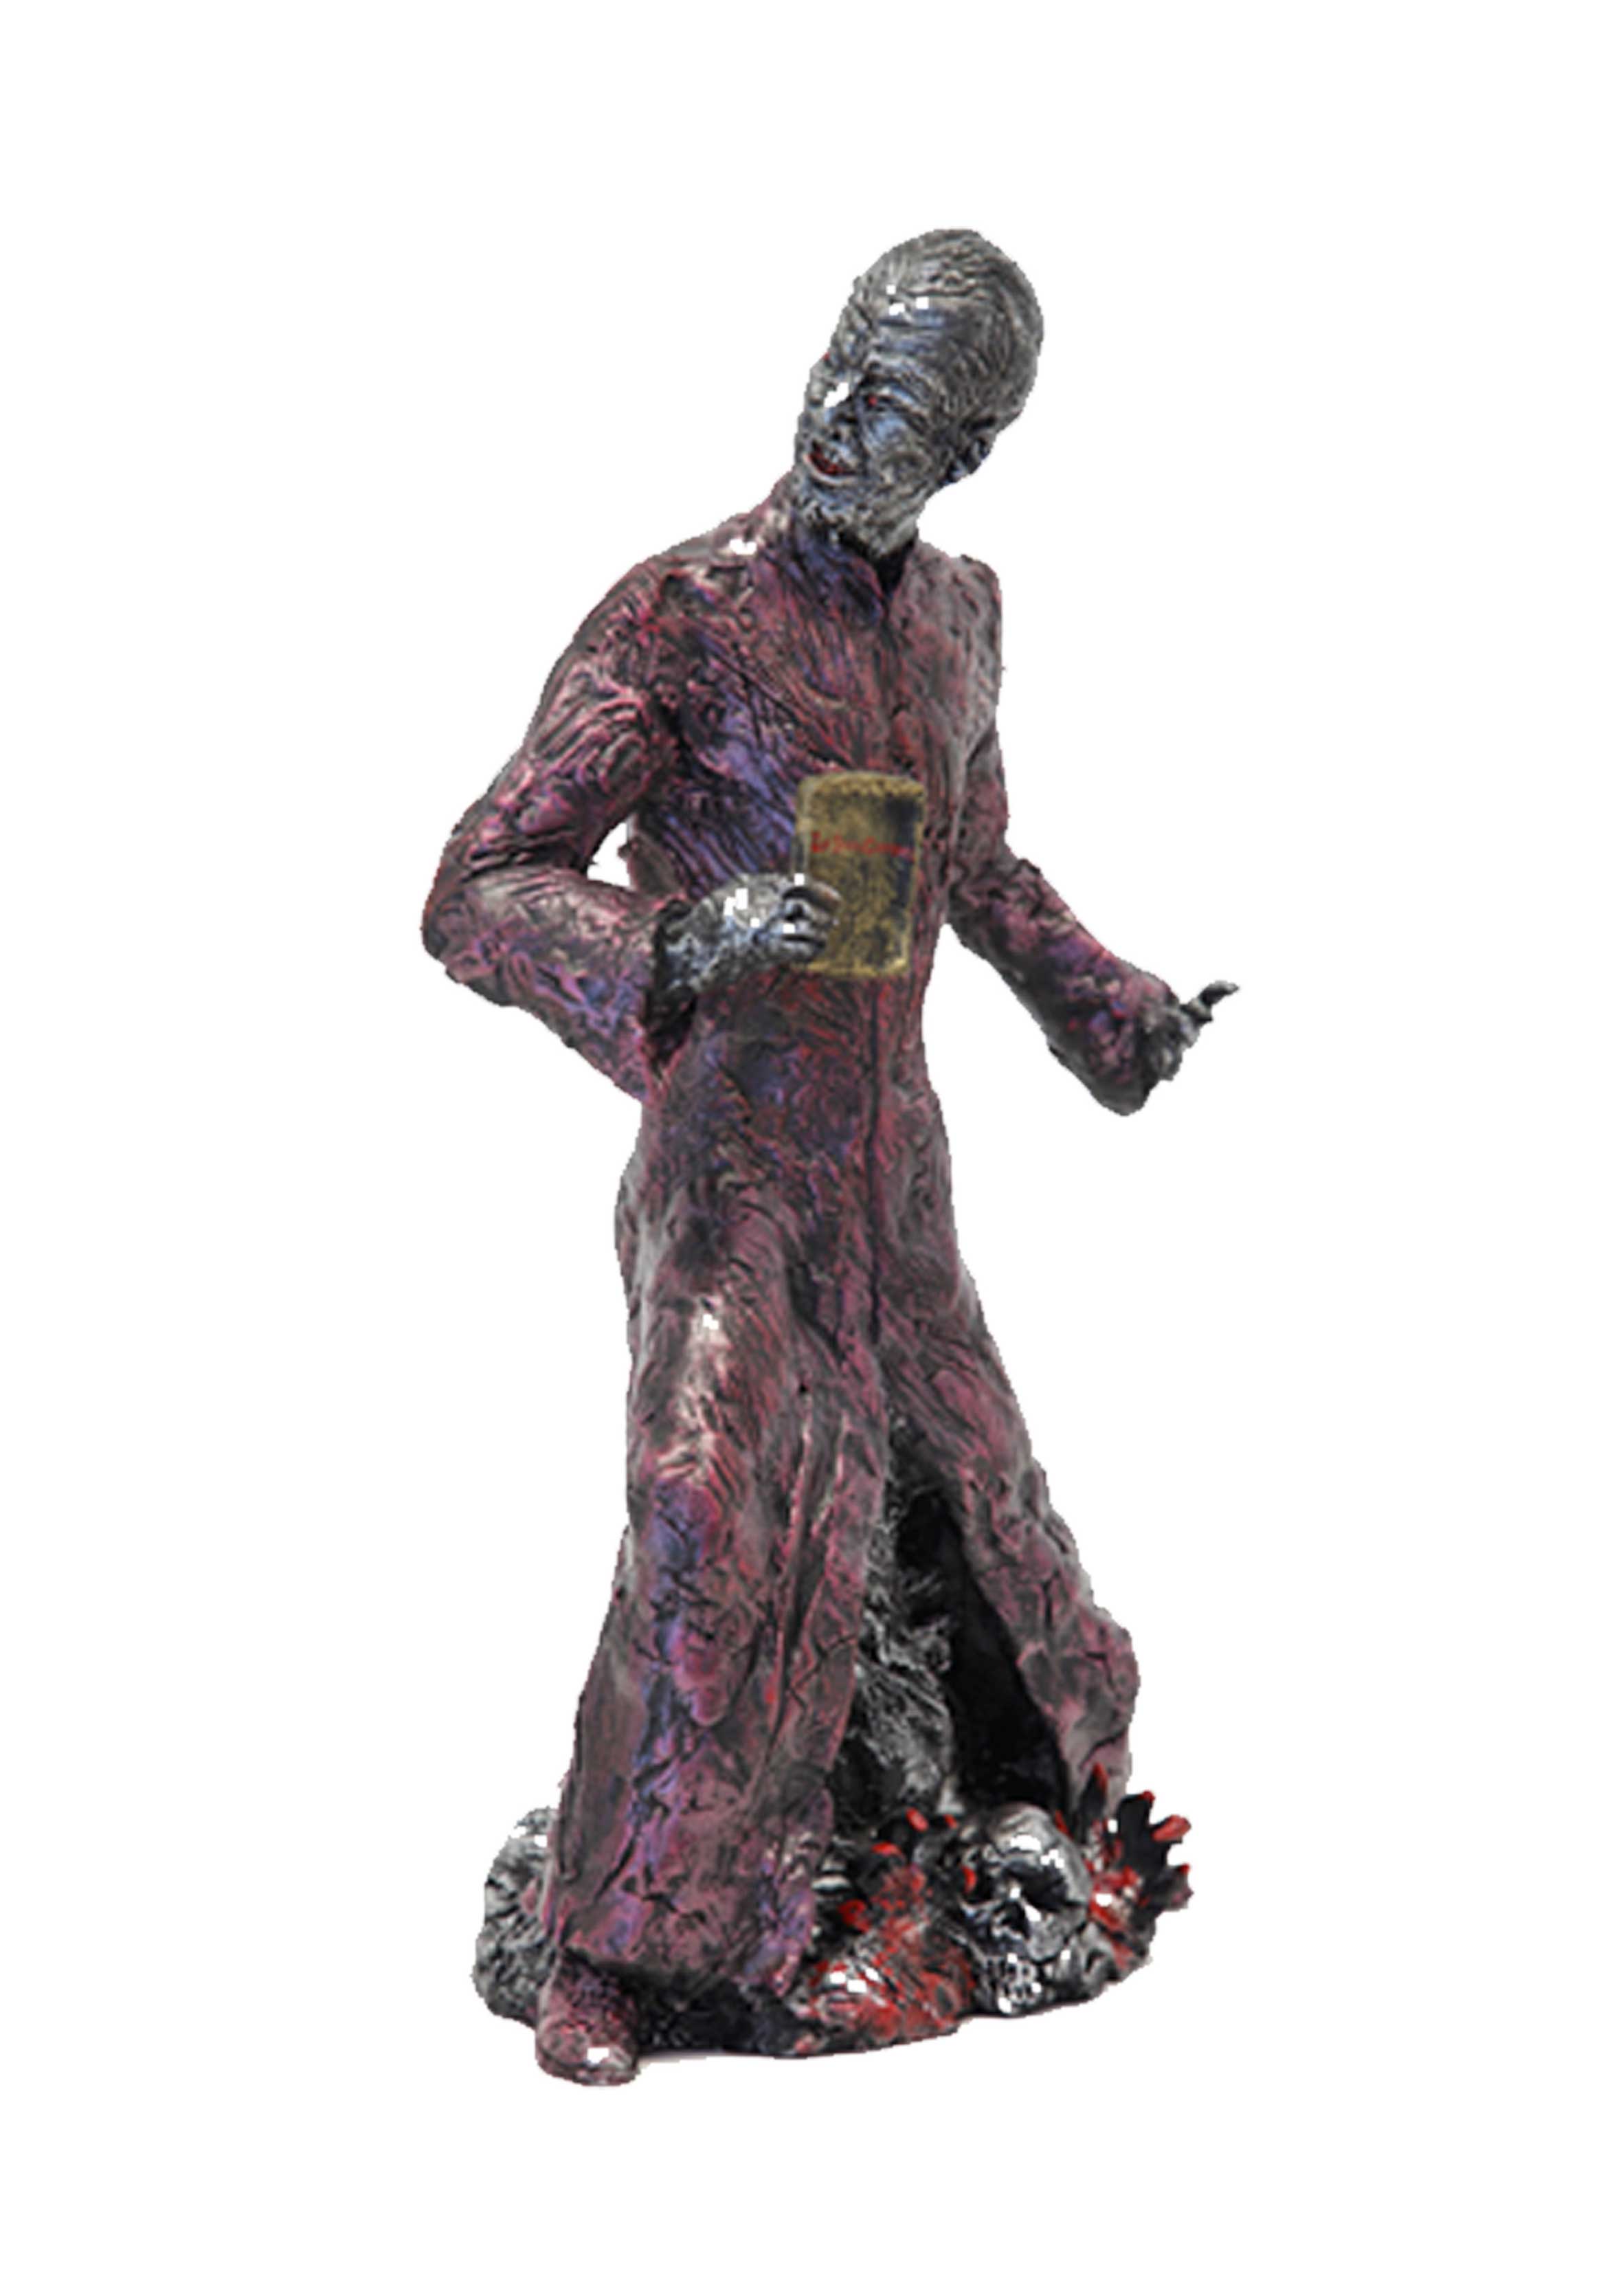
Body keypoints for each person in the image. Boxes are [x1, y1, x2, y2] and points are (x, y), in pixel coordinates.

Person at [424, 229, 1231, 2084]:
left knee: (974, 1492)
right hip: (729, 1170)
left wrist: (1115, 1010)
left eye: (900, 409)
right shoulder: (681, 617)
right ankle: (610, 1952)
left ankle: (993, 1830)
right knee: (703, 1509)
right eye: (842, 367)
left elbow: (976, 865)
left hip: (893, 1181)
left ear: (967, 451)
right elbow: (476, 887)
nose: (843, 418)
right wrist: (683, 940)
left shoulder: (959, 621)